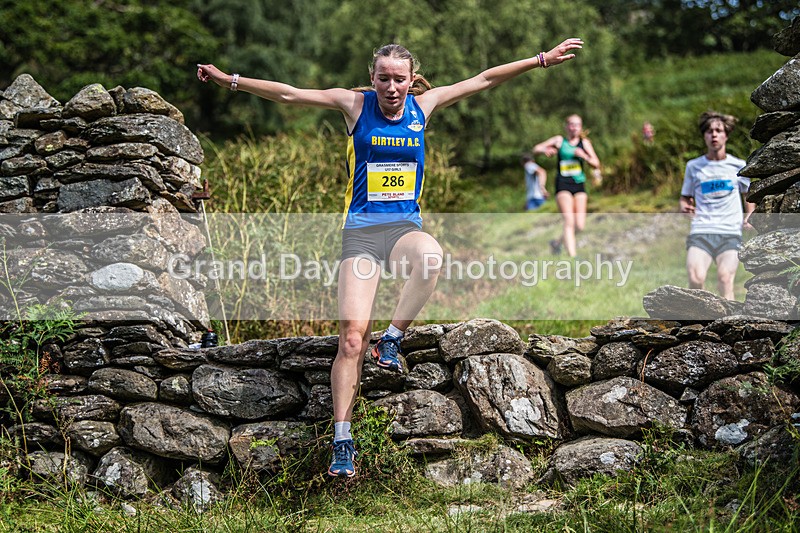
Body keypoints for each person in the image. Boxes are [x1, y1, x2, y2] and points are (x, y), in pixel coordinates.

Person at [197, 37, 584, 478]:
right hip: (360, 237)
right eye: (384, 78)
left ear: (410, 79)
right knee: (350, 341)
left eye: (400, 79)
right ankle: (343, 440)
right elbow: (289, 93)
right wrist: (229, 80)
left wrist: (540, 60)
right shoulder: (354, 106)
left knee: (432, 257)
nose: (392, 87)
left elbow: (484, 79)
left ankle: (394, 338)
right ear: (372, 78)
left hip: (403, 232)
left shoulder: (425, 106)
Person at [680, 111, 754, 300]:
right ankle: (698, 322)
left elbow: (749, 195)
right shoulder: (693, 166)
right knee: (695, 278)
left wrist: (749, 215)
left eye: (718, 130)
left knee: (724, 278)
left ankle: (729, 325)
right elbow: (685, 198)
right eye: (709, 131)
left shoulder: (738, 166)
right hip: (701, 231)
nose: (714, 135)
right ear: (704, 136)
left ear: (726, 135)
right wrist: (685, 207)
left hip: (730, 232)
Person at [532, 114, 601, 257]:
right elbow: (536, 149)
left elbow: (596, 163)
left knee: (579, 225)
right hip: (563, 184)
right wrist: (545, 150)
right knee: (569, 220)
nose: (574, 127)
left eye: (577, 125)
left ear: (581, 127)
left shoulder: (585, 143)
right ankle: (573, 257)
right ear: (566, 126)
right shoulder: (559, 140)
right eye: (571, 124)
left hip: (579, 184)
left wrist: (584, 156)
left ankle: (557, 243)